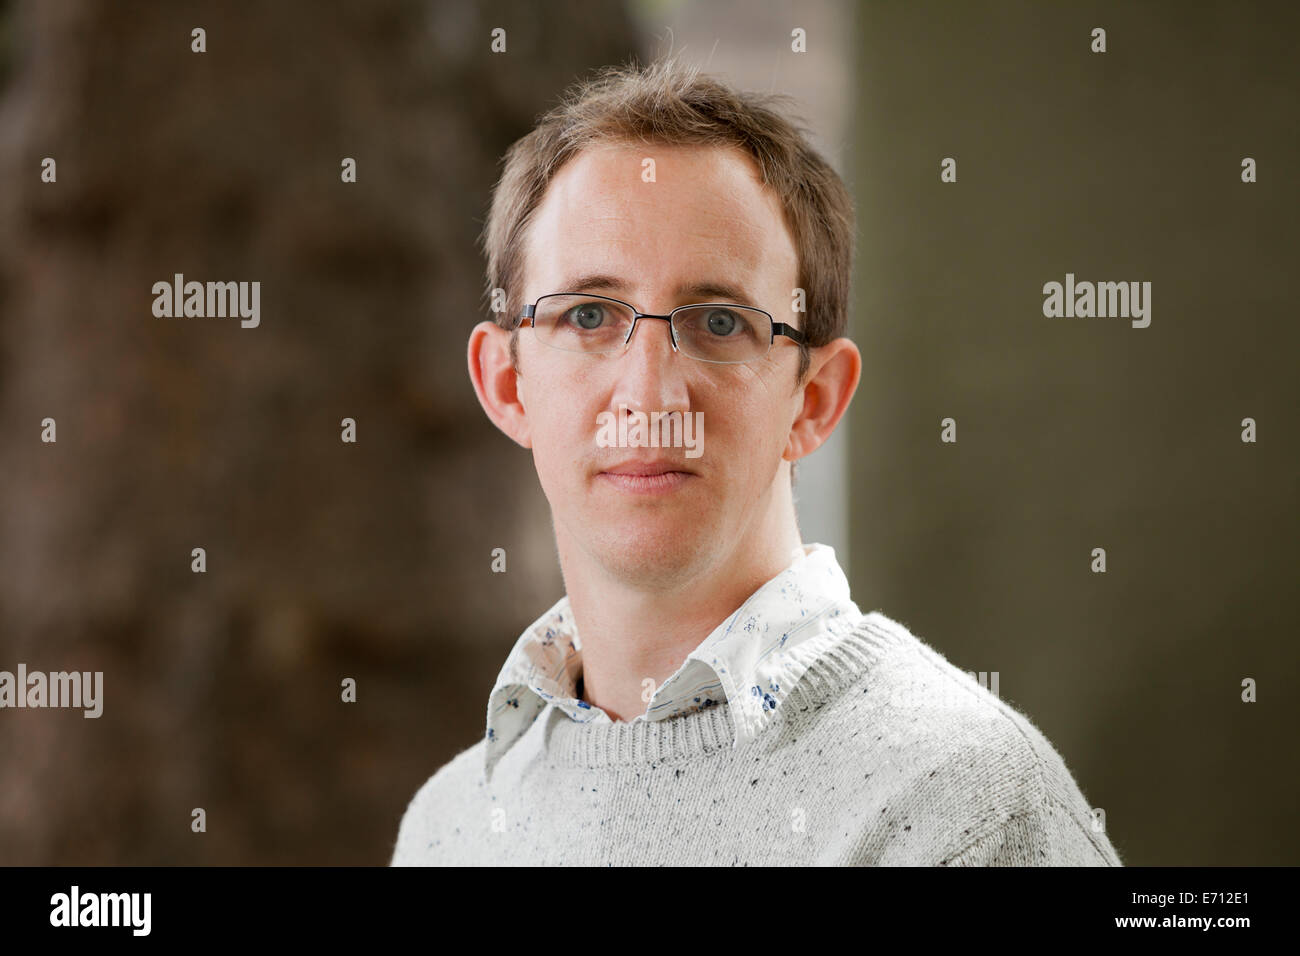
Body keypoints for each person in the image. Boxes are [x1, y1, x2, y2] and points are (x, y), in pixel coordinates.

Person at [390, 55, 1122, 866]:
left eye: (718, 324)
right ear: (507, 384)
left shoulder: (961, 805)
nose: (650, 398)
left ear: (813, 401)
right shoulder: (447, 828)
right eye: (590, 315)